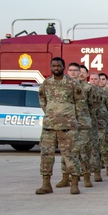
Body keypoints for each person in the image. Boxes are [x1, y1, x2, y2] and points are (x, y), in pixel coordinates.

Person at [35, 57, 82, 195]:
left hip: (67, 127)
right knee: (46, 155)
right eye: (54, 66)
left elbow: (79, 103)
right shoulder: (46, 83)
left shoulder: (72, 84)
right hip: (49, 126)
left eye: (59, 66)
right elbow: (42, 100)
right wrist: (51, 113)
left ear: (63, 67)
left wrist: (72, 119)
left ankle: (74, 184)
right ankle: (46, 184)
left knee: (70, 155)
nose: (56, 68)